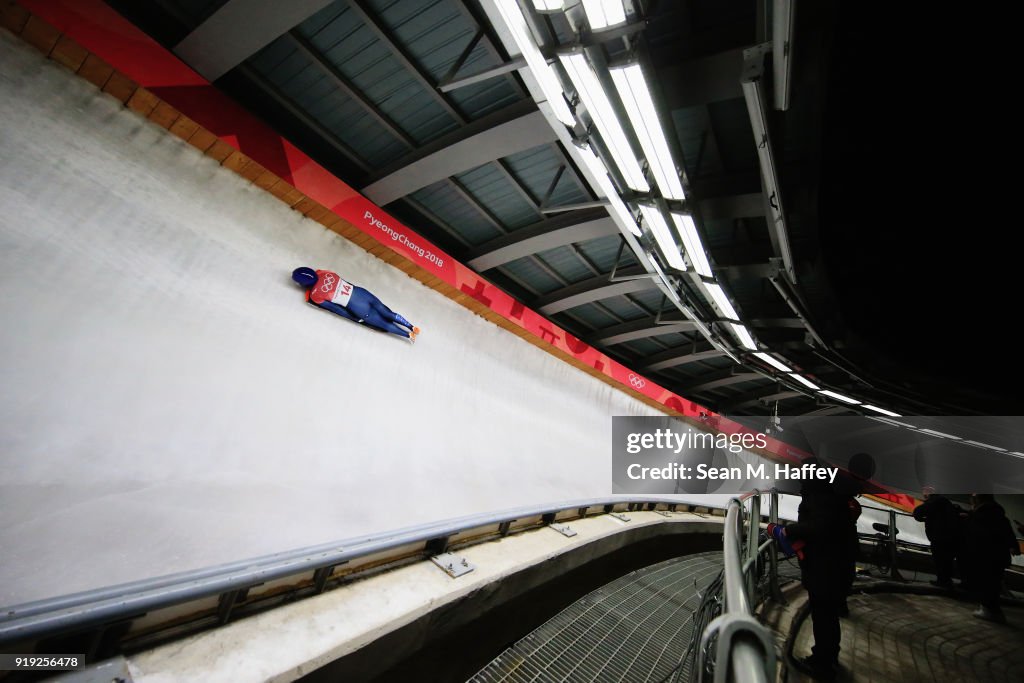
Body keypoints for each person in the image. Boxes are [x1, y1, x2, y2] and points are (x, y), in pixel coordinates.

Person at [767, 458, 850, 680]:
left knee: (823, 614)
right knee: (826, 614)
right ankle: (826, 658)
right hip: (831, 564)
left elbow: (818, 527)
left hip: (824, 566)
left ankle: (822, 664)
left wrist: (789, 531)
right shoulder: (828, 492)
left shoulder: (820, 495)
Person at [292, 267, 420, 342]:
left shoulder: (315, 295)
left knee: (384, 323)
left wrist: (354, 318)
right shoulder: (326, 273)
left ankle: (408, 335)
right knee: (387, 312)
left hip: (358, 308)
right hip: (362, 293)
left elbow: (336, 309)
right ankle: (411, 326)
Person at [963, 494, 1016, 623]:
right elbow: (1007, 532)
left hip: (986, 556)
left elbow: (978, 536)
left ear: (978, 500)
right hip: (998, 556)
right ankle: (990, 609)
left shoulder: (982, 515)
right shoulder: (997, 514)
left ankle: (990, 611)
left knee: (987, 582)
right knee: (993, 583)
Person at [912, 486, 963, 588]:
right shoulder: (945, 502)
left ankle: (943, 582)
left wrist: (922, 518)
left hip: (939, 537)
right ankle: (946, 581)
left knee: (940, 559)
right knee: (946, 561)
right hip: (950, 537)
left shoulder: (935, 501)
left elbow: (918, 511)